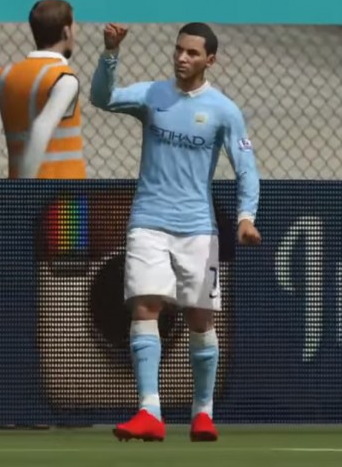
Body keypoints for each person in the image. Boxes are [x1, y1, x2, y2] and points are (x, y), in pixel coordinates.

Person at [90, 22, 262, 443]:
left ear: (210, 60)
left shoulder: (223, 110)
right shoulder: (153, 95)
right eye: (179, 50)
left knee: (200, 319)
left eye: (192, 53)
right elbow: (102, 98)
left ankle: (202, 413)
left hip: (197, 229)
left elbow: (247, 169)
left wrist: (245, 217)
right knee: (145, 307)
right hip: (148, 222)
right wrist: (110, 54)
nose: (182, 58)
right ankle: (149, 410)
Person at [0, 0, 86, 180]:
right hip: (65, 194)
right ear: (66, 32)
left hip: (18, 192)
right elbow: (41, 128)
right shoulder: (64, 79)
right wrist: (26, 189)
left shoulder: (3, 77)